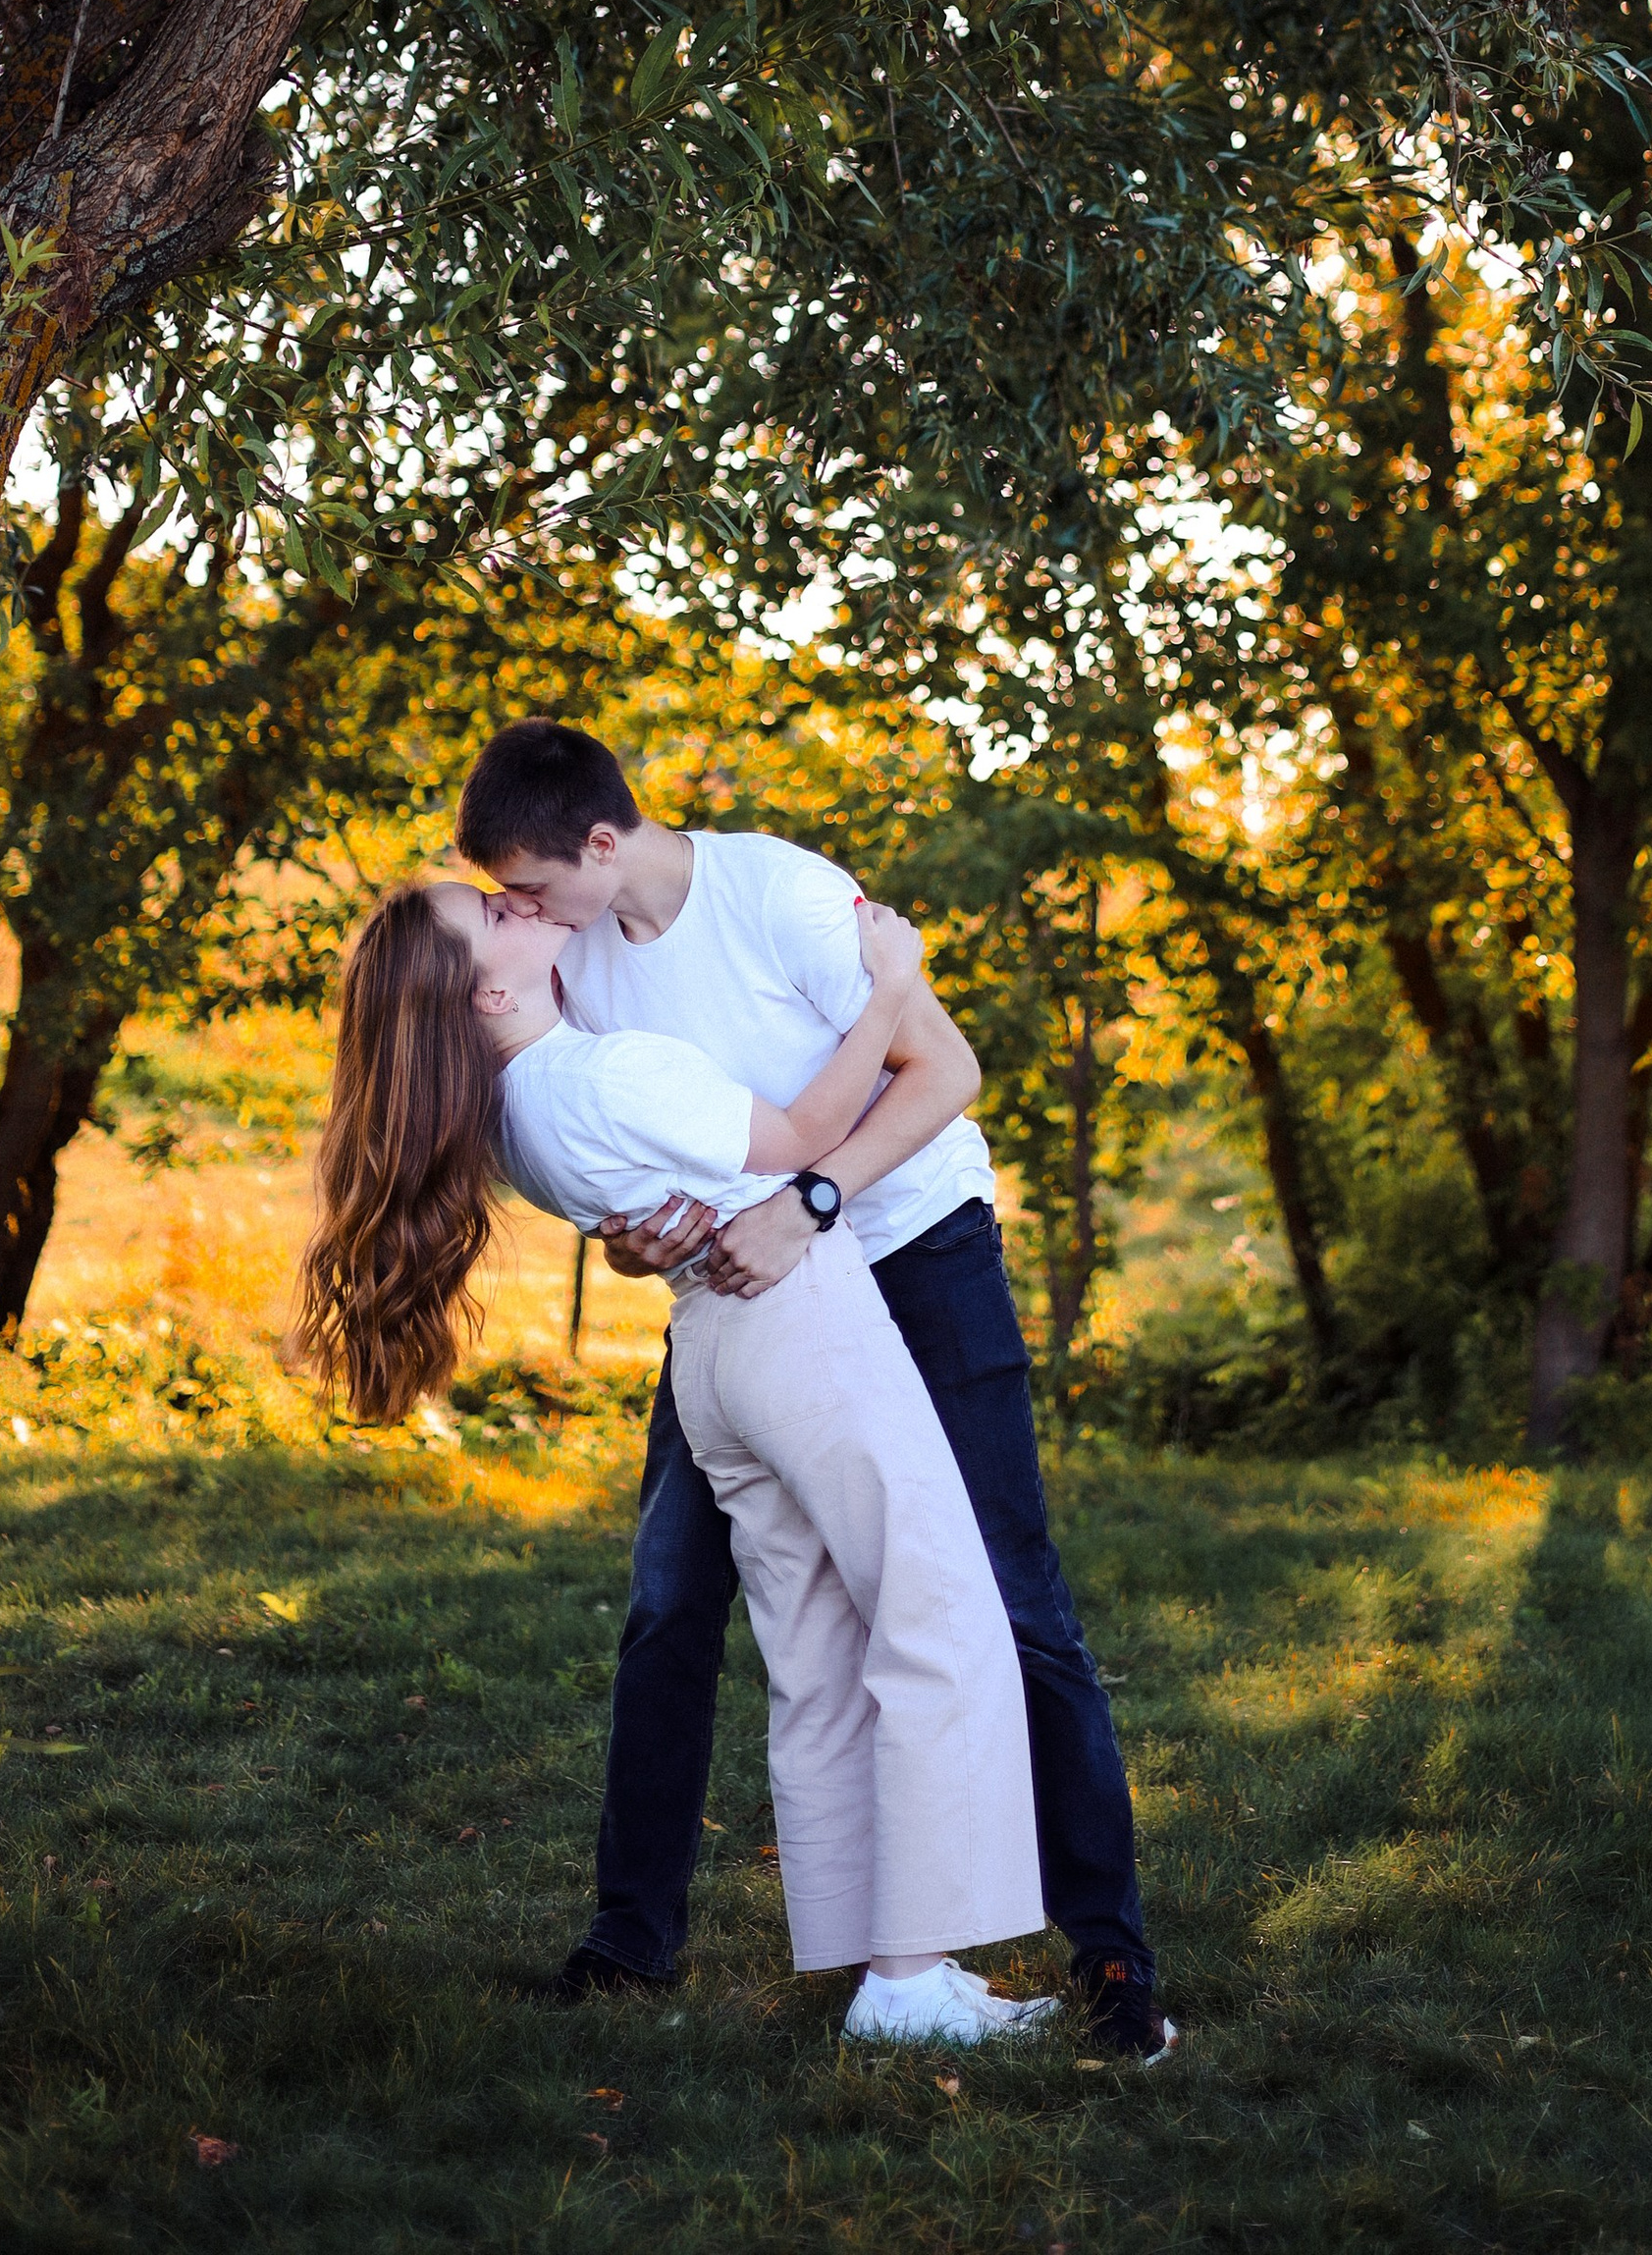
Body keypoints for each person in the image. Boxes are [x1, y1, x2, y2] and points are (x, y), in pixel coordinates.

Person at [454, 717, 1175, 2065]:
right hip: (750, 1296)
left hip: (914, 1250)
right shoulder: (569, 957)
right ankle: (631, 1936)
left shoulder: (779, 894)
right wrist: (637, 1242)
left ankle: (1110, 1950)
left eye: (532, 887)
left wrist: (811, 1201)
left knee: (1009, 1596)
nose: (522, 912)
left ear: (601, 844)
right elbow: (621, 1156)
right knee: (671, 1599)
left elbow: (945, 1071)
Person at [294, 873, 1057, 2049]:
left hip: (713, 1349)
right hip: (799, 1324)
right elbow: (805, 1139)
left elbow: (661, 1207)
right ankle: (909, 1977)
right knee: (937, 1615)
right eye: (493, 915)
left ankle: (879, 1965)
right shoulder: (608, 1074)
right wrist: (889, 990)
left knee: (816, 1648)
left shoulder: (508, 1117)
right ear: (487, 991)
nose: (517, 904)